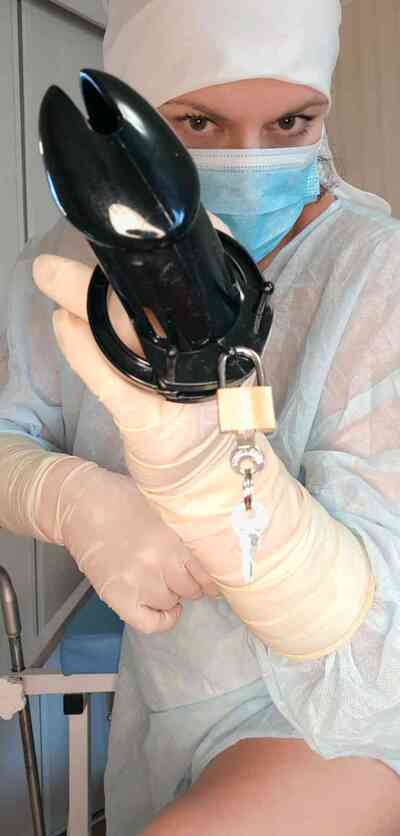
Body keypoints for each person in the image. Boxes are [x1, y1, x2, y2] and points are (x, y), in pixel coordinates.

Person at [1, 0, 400, 833]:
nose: (250, 161)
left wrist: (200, 481)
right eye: (198, 122)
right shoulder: (69, 266)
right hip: (170, 688)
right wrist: (72, 500)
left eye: (291, 122)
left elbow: (368, 634)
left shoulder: (376, 273)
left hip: (346, 710)